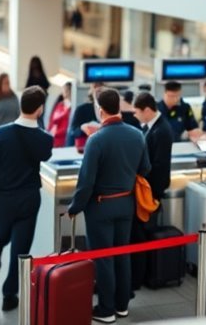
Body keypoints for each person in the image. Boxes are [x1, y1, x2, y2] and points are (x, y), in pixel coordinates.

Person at [68, 88, 150, 323]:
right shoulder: (137, 134)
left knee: (104, 258)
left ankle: (106, 309)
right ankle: (122, 305)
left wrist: (75, 207)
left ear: (100, 110)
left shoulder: (96, 140)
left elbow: (86, 182)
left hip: (101, 207)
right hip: (126, 204)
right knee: (122, 254)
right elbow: (145, 168)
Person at [0, 86, 53, 312]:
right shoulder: (44, 139)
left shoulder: (0, 134)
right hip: (29, 198)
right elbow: (45, 154)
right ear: (40, 109)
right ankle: (10, 294)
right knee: (21, 249)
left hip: (3, 197)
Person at [129, 91, 174, 290]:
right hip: (147, 191)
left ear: (147, 110)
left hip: (150, 193)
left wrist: (148, 192)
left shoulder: (161, 131)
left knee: (141, 235)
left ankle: (140, 277)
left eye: (137, 112)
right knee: (140, 234)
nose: (135, 116)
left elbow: (159, 167)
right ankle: (140, 275)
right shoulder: (153, 128)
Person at [66, 81, 103, 148]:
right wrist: (85, 128)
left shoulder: (114, 110)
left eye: (100, 86)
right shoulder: (82, 110)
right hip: (86, 146)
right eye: (95, 87)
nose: (98, 89)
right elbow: (73, 131)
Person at [47, 82, 72, 147]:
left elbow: (68, 126)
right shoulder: (59, 105)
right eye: (64, 90)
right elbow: (52, 121)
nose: (66, 92)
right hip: (54, 139)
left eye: (68, 90)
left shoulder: (73, 107)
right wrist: (48, 133)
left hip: (64, 140)